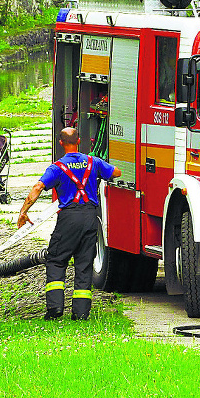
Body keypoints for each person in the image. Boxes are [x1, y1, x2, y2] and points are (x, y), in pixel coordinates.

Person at [17, 127, 121, 320]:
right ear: (79, 141)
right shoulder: (93, 162)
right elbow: (116, 172)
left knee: (56, 260)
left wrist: (24, 212)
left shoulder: (57, 167)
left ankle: (55, 309)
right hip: (90, 217)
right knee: (84, 264)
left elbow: (38, 186)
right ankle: (81, 313)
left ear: (61, 143)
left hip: (69, 218)